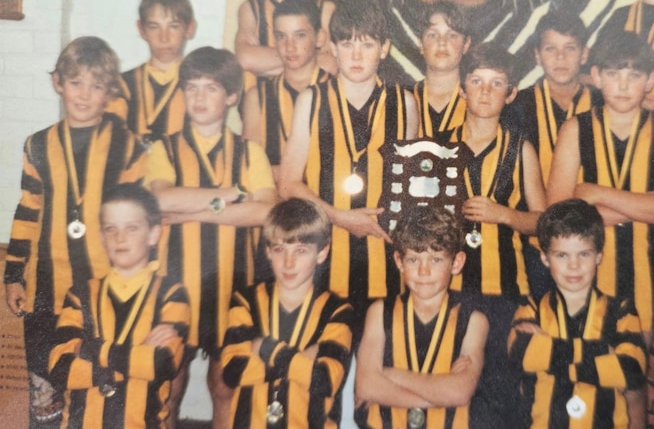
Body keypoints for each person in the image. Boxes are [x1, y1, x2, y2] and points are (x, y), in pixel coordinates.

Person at [4, 36, 147, 428]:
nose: (85, 95)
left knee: (94, 385)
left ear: (109, 93)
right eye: (76, 83)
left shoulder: (127, 147)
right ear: (58, 84)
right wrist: (14, 274)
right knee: (44, 388)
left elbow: (138, 220)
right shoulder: (37, 145)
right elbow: (28, 211)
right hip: (44, 289)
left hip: (102, 289)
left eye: (96, 86)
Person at [145, 47, 278, 428]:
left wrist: (196, 210)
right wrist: (227, 195)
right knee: (168, 384)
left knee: (225, 387)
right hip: (175, 286)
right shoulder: (164, 148)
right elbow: (159, 200)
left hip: (233, 287)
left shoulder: (249, 152)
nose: (199, 98)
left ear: (232, 96)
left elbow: (266, 211)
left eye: (211, 88)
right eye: (192, 88)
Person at [278, 0, 418, 309]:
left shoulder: (405, 103)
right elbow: (288, 184)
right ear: (333, 47)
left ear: (384, 49)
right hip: (323, 255)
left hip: (384, 256)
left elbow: (406, 188)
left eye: (367, 45)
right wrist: (341, 217)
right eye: (347, 43)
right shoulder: (311, 100)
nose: (356, 55)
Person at [547, 29, 654, 337]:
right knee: (589, 372)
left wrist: (595, 195)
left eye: (634, 75)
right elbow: (556, 215)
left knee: (638, 377)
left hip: (647, 279)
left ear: (650, 81)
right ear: (596, 76)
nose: (623, 85)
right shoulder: (574, 130)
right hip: (584, 280)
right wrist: (646, 204)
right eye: (613, 74)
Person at [445, 43, 546, 428]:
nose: (485, 92)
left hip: (507, 292)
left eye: (496, 83)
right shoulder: (438, 147)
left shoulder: (521, 150)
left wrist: (504, 215)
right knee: (459, 394)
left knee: (504, 394)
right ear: (461, 88)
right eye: (476, 81)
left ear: (511, 92)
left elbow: (542, 222)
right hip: (452, 292)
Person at [48, 184, 190, 429]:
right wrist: (137, 356)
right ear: (102, 236)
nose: (119, 238)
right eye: (110, 228)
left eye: (132, 227)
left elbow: (162, 363)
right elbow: (60, 368)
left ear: (154, 234)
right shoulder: (80, 294)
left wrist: (91, 350)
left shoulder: (172, 293)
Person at [509, 199, 647, 429]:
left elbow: (630, 370)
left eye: (583, 254)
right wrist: (602, 352)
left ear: (599, 256)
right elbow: (523, 353)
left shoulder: (621, 311)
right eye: (562, 256)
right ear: (545, 258)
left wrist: (551, 355)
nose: (574, 266)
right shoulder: (530, 308)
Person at [222, 198, 353, 429]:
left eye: (301, 251)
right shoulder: (245, 301)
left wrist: (265, 348)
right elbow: (233, 372)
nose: (289, 263)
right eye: (280, 249)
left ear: (322, 253)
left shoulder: (338, 311)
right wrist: (302, 359)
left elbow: (325, 380)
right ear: (268, 251)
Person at [355, 207, 489, 429]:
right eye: (414, 260)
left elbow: (459, 392)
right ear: (399, 261)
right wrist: (439, 396)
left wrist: (393, 376)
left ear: (456, 263)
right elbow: (367, 386)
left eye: (436, 260)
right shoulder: (379, 311)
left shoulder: (473, 320)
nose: (424, 272)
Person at [241, 0, 331, 183]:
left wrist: (276, 172)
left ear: (319, 38)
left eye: (300, 35)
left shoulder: (337, 91)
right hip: (273, 204)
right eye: (281, 36)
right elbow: (250, 168)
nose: (290, 47)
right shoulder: (258, 97)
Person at [507, 10, 602, 185]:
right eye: (550, 48)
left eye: (570, 48)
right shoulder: (517, 106)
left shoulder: (603, 103)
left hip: (594, 207)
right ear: (538, 56)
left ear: (584, 55)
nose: (560, 57)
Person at [107, 0, 197, 145]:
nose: (164, 38)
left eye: (174, 27)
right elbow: (111, 141)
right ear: (141, 30)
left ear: (189, 28)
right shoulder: (122, 85)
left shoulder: (199, 84)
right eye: (154, 27)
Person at [412, 2, 471, 138]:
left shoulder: (478, 100)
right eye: (433, 35)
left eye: (452, 35)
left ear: (466, 44)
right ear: (420, 44)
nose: (442, 42)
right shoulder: (403, 100)